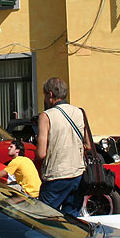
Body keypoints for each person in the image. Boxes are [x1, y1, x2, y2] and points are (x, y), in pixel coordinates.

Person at [36, 77, 89, 216]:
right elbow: (88, 145)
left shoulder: (46, 116)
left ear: (50, 94)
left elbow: (41, 154)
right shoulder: (79, 112)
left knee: (43, 217)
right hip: (78, 173)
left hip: (56, 175)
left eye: (45, 95)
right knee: (71, 220)